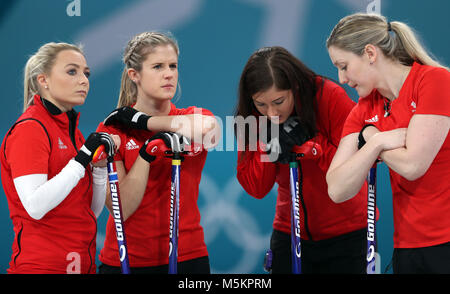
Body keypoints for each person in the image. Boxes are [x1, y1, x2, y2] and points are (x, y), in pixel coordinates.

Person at [326, 13, 450, 274]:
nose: (341, 79)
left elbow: (414, 164)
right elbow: (337, 188)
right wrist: (375, 140)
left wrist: (369, 137)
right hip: (407, 246)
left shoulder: (434, 80)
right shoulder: (363, 110)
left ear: (370, 53)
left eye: (344, 66)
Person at [235, 46, 373, 274]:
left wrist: (313, 148)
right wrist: (268, 148)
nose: (271, 113)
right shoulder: (250, 117)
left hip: (347, 231)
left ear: (295, 87)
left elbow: (357, 164)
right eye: (261, 104)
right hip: (289, 231)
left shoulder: (327, 95)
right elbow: (256, 188)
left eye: (279, 101)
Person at [96, 31, 220, 274]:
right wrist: (146, 155)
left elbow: (210, 131)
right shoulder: (113, 129)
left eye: (173, 66)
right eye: (157, 66)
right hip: (125, 259)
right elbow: (122, 208)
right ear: (135, 75)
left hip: (186, 256)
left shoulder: (193, 116)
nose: (169, 74)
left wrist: (144, 122)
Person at [0, 42, 118, 274]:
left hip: (82, 264)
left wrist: (100, 169)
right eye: (72, 71)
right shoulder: (30, 129)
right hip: (43, 267)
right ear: (43, 80)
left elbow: (88, 211)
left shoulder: (72, 131)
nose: (84, 80)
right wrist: (82, 158)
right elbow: (35, 206)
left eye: (86, 73)